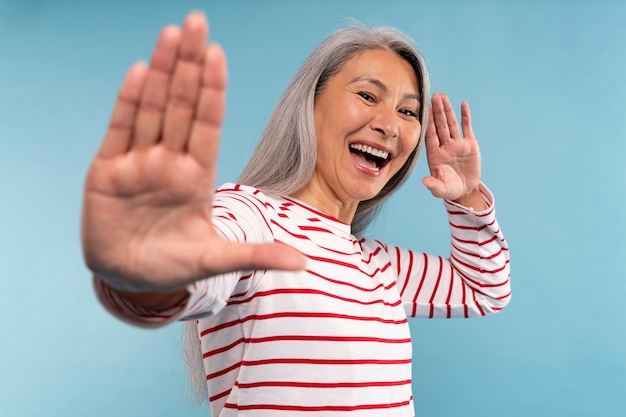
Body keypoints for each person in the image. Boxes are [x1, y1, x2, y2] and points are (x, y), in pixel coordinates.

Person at [81, 11, 511, 416]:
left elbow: (485, 290)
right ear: (310, 104)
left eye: (407, 111)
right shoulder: (251, 217)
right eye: (367, 95)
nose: (390, 125)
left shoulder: (379, 266)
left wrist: (467, 197)